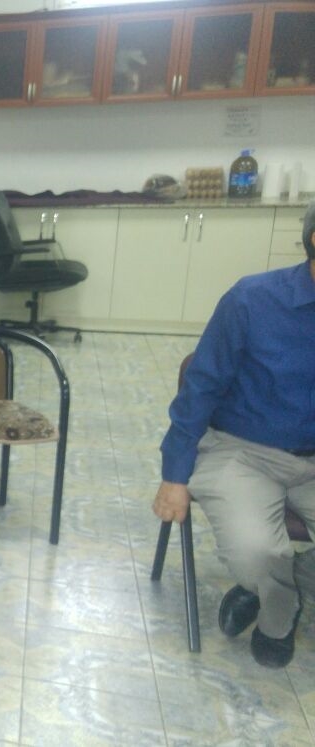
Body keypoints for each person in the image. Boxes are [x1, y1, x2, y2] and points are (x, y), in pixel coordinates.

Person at [153, 201, 315, 669]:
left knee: (269, 566)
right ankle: (277, 612)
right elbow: (200, 387)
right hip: (242, 451)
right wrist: (174, 475)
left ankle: (271, 587)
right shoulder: (252, 300)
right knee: (255, 553)